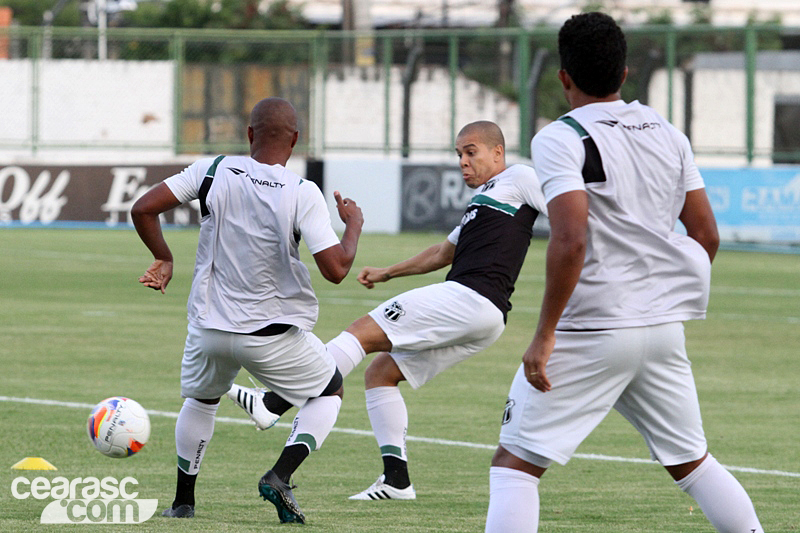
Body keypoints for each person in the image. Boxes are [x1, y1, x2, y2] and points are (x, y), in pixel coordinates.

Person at [484, 13, 763, 533]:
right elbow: (707, 236)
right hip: (660, 331)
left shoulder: (559, 137)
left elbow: (570, 238)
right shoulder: (667, 132)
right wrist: (661, 296)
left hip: (593, 328)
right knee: (692, 463)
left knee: (514, 467)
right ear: (626, 71)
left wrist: (543, 336)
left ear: (563, 76)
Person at [229, 120, 548, 500]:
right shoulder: (484, 199)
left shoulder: (521, 177)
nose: (463, 161)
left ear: (498, 152)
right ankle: (397, 480)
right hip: (487, 317)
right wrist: (387, 273)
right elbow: (443, 253)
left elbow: (569, 215)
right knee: (380, 373)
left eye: (471, 151)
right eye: (459, 153)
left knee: (359, 333)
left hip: (470, 298)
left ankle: (273, 401)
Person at [130, 97, 364, 524]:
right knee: (330, 389)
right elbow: (336, 269)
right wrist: (353, 227)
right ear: (296, 140)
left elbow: (143, 208)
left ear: (250, 135)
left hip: (208, 328)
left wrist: (164, 257)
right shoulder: (301, 192)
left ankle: (184, 502)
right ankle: (280, 474)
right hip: (268, 336)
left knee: (201, 402)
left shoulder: (212, 170)